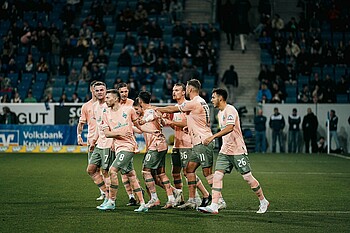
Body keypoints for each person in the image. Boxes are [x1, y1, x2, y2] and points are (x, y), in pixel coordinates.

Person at [198, 88, 269, 214]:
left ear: (220, 98)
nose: (212, 100)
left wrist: (213, 137)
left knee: (248, 178)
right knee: (217, 176)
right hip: (225, 150)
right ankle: (214, 205)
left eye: (213, 97)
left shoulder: (230, 110)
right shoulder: (219, 114)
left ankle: (263, 201)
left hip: (237, 150)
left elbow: (230, 128)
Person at [156, 79, 214, 209]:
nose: (174, 92)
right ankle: (181, 198)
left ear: (184, 92)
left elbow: (187, 124)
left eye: (177, 90)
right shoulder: (177, 109)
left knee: (188, 171)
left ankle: (202, 196)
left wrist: (168, 121)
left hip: (187, 144)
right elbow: (177, 127)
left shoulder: (188, 105)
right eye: (173, 90)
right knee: (175, 172)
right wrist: (167, 122)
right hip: (177, 143)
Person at [99, 89, 148, 212]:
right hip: (117, 147)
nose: (106, 100)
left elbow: (139, 126)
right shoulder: (105, 113)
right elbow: (106, 133)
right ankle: (143, 204)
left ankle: (111, 201)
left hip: (128, 147)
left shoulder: (129, 110)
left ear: (116, 99)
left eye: (108, 98)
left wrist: (152, 129)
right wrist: (119, 132)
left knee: (113, 170)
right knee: (131, 175)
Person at [137, 91, 180, 209]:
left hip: (155, 146)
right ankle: (172, 197)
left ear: (140, 101)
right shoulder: (153, 110)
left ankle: (154, 198)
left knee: (146, 172)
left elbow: (152, 116)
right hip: (161, 145)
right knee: (161, 173)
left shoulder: (150, 111)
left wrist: (143, 121)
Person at [87, 82, 114, 209]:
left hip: (109, 143)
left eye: (102, 90)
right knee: (91, 170)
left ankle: (110, 200)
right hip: (99, 143)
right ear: (93, 91)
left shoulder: (110, 106)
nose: (99, 92)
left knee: (106, 172)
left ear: (106, 90)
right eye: (97, 90)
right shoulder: (95, 106)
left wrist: (114, 142)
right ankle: (106, 193)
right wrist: (93, 140)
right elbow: (99, 126)